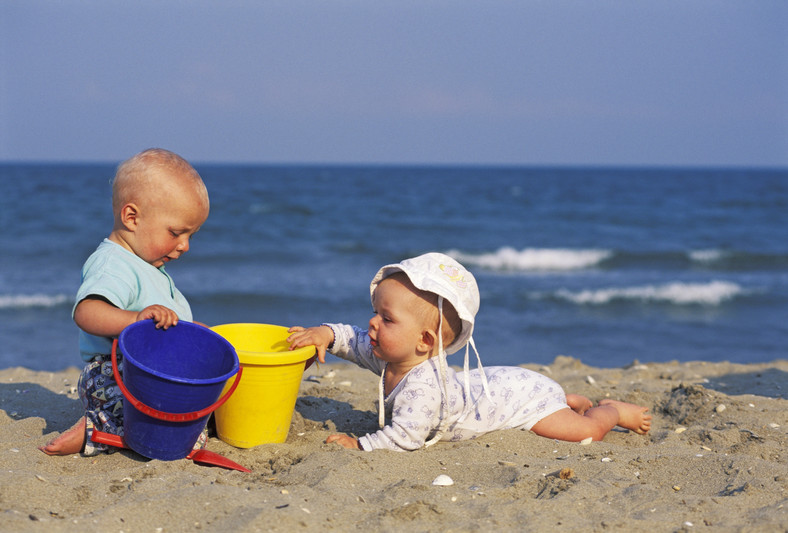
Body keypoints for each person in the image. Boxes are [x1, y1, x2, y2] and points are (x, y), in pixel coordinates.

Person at [287, 252, 651, 451]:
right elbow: (351, 339)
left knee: (583, 434)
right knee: (544, 397)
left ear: (425, 341)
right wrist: (324, 334)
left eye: (386, 318)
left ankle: (610, 410)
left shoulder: (423, 387)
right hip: (503, 386)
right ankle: (562, 397)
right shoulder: (390, 353)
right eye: (374, 313)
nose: (372, 324)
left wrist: (359, 445)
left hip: (521, 400)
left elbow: (405, 438)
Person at [39, 148, 210, 456]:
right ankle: (97, 431)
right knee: (175, 433)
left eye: (191, 235)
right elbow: (87, 312)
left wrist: (188, 334)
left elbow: (162, 328)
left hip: (145, 374)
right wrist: (134, 320)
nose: (184, 246)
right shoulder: (113, 263)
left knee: (198, 412)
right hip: (113, 373)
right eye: (176, 232)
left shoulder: (146, 264)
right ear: (132, 217)